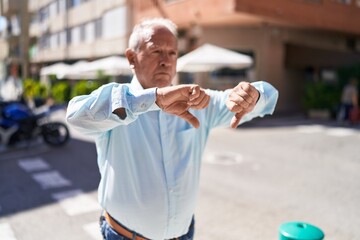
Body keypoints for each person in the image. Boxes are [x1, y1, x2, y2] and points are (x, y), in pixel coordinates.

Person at [66, 18, 278, 240]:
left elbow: (267, 97)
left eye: (172, 53)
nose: (166, 61)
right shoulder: (117, 102)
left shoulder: (198, 102)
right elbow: (76, 115)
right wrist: (153, 99)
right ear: (131, 57)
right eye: (156, 51)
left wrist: (253, 95)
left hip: (183, 234)